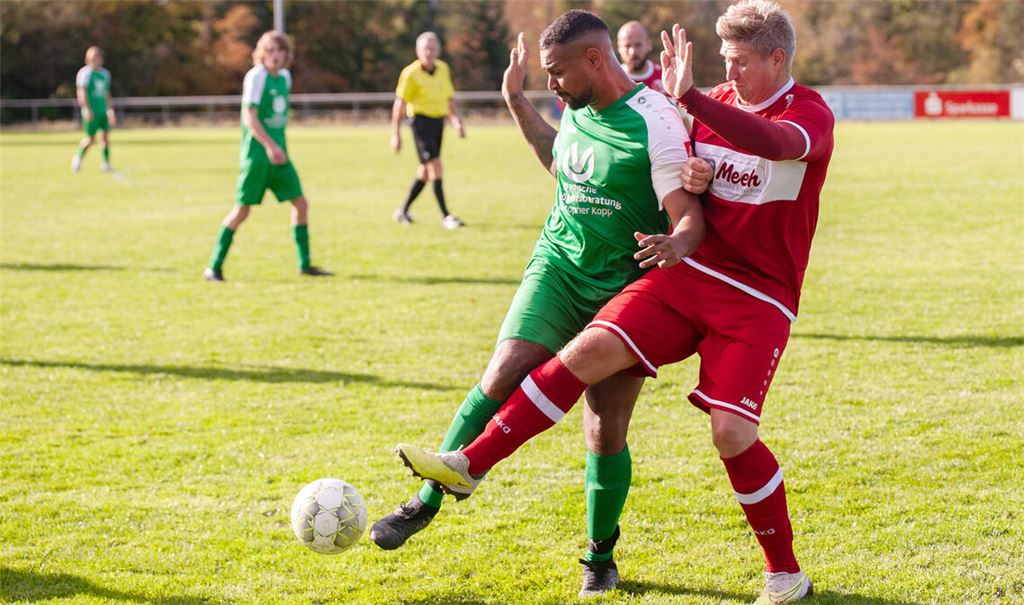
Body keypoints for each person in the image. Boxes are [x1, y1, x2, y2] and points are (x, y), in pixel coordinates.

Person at [396, 1, 835, 602]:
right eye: (723, 62)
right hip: (687, 273)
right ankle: (470, 465)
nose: (727, 74)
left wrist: (694, 107)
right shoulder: (707, 109)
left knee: (731, 435)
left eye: (738, 62)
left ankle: (785, 574)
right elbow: (687, 180)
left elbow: (777, 144)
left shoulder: (807, 113)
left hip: (758, 297)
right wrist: (697, 173)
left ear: (777, 58)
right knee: (583, 353)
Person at [373, 11, 706, 597]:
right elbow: (561, 162)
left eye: (557, 72)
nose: (551, 83)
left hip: (623, 288)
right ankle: (425, 500)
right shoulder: (574, 107)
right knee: (502, 371)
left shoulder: (655, 122)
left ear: (595, 61)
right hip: (556, 266)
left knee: (605, 426)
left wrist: (675, 243)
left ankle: (599, 556)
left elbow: (688, 214)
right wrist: (515, 99)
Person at [203, 31, 331, 282]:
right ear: (262, 53)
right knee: (242, 211)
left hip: (280, 156)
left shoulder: (284, 77)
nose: (274, 55)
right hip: (258, 157)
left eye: (279, 50)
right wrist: (270, 146)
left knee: (301, 204)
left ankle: (304, 265)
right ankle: (213, 267)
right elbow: (250, 117)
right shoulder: (256, 76)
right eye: (269, 50)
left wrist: (278, 147)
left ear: (286, 54)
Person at [391, 32, 466, 229]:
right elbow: (399, 104)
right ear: (417, 51)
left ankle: (402, 211)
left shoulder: (443, 69)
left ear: (438, 50)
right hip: (420, 123)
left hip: (437, 123)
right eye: (425, 48)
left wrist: (456, 121)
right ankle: (446, 216)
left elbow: (449, 98)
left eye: (432, 48)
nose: (429, 52)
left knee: (425, 171)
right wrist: (395, 134)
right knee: (436, 166)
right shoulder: (410, 73)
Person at [71, 47, 115, 173]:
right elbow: (81, 92)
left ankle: (106, 164)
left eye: (98, 57)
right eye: (94, 57)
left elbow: (106, 94)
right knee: (90, 139)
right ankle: (78, 158)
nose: (97, 60)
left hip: (103, 111)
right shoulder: (85, 73)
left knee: (105, 138)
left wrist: (110, 110)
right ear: (89, 59)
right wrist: (86, 109)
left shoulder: (105, 74)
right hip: (92, 111)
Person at [616, 21, 665, 93]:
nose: (633, 52)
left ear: (649, 44)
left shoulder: (664, 76)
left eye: (638, 45)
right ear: (619, 47)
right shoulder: (612, 81)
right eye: (627, 46)